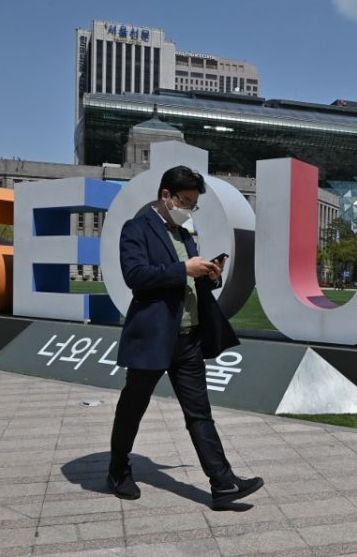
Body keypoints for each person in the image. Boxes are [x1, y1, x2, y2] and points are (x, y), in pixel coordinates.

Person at [107, 165, 264, 510]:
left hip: (188, 338)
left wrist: (209, 274)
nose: (190, 209)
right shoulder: (136, 228)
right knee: (133, 407)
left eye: (194, 204)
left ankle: (223, 484)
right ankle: (118, 470)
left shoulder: (183, 232)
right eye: (186, 201)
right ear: (166, 195)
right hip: (153, 337)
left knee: (199, 414)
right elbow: (136, 276)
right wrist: (183, 269)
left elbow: (188, 279)